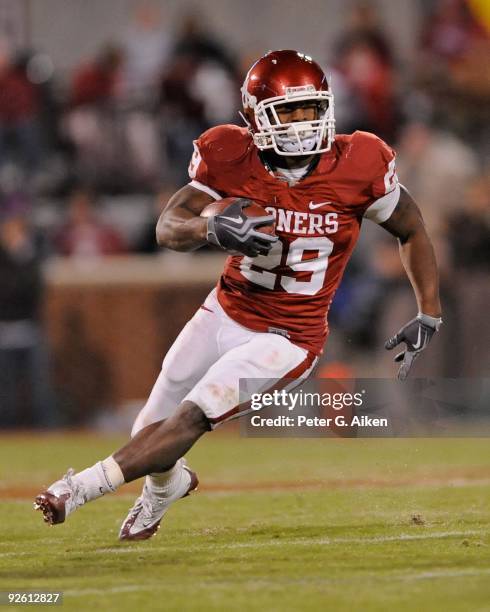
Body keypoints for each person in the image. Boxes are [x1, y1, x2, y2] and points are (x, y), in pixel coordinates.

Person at [34, 50, 442, 539]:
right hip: (224, 312)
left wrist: (429, 311)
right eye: (288, 110)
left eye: (311, 109)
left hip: (288, 339)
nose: (302, 122)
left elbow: (411, 227)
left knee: (192, 415)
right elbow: (168, 226)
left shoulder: (359, 162)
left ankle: (78, 488)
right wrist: (212, 229)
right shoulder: (230, 153)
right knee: (150, 426)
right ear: (255, 115)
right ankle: (168, 486)